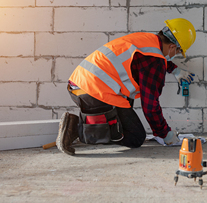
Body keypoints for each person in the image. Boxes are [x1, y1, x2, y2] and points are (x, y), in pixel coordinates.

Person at [56, 18, 196, 155]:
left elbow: (147, 58)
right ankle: (75, 128)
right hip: (94, 92)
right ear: (172, 47)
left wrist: (175, 70)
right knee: (135, 137)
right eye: (178, 52)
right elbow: (150, 107)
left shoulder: (147, 39)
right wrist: (165, 134)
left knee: (126, 103)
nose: (176, 55)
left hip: (78, 84)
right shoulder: (155, 61)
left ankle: (94, 122)